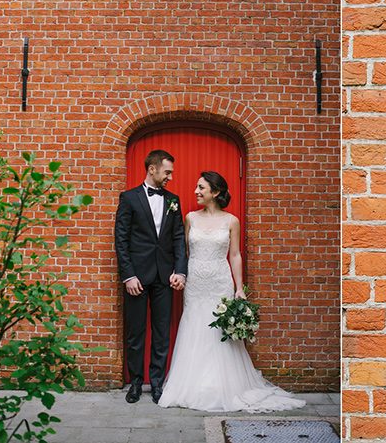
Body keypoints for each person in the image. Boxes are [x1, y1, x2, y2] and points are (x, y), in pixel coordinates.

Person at [157, 171, 304, 412]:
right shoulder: (190, 218)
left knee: (218, 332)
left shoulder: (231, 221)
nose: (196, 191)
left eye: (201, 187)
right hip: (195, 284)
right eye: (196, 186)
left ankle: (221, 387)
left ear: (215, 192)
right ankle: (192, 385)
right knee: (194, 326)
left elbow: (235, 255)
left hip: (219, 281)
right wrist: (178, 273)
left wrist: (239, 288)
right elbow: (181, 251)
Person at [115, 149, 187, 404]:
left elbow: (178, 238)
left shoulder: (173, 200)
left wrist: (180, 271)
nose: (170, 177)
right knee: (135, 332)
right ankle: (135, 383)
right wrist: (128, 276)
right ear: (153, 169)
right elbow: (121, 240)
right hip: (136, 277)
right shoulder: (129, 198)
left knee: (161, 333)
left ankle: (157, 384)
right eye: (167, 172)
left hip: (164, 277)